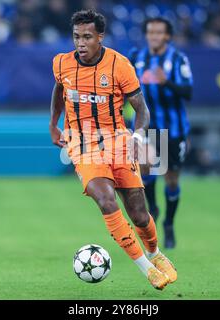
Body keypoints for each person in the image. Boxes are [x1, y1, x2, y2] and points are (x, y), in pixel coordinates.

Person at [49, 9, 177, 290]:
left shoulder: (120, 65)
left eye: (87, 37)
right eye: (76, 37)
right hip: (82, 145)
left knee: (140, 216)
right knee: (106, 200)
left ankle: (155, 253)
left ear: (100, 36)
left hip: (118, 142)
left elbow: (141, 109)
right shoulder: (61, 64)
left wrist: (139, 137)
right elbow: (60, 90)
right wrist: (54, 124)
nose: (80, 43)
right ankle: (146, 269)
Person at [129, 17, 194, 249]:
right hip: (145, 125)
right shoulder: (136, 57)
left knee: (171, 178)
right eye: (150, 32)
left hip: (173, 128)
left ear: (167, 36)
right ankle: (153, 209)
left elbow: (188, 92)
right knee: (145, 164)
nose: (154, 36)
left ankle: (169, 223)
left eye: (158, 33)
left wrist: (166, 82)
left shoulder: (177, 59)